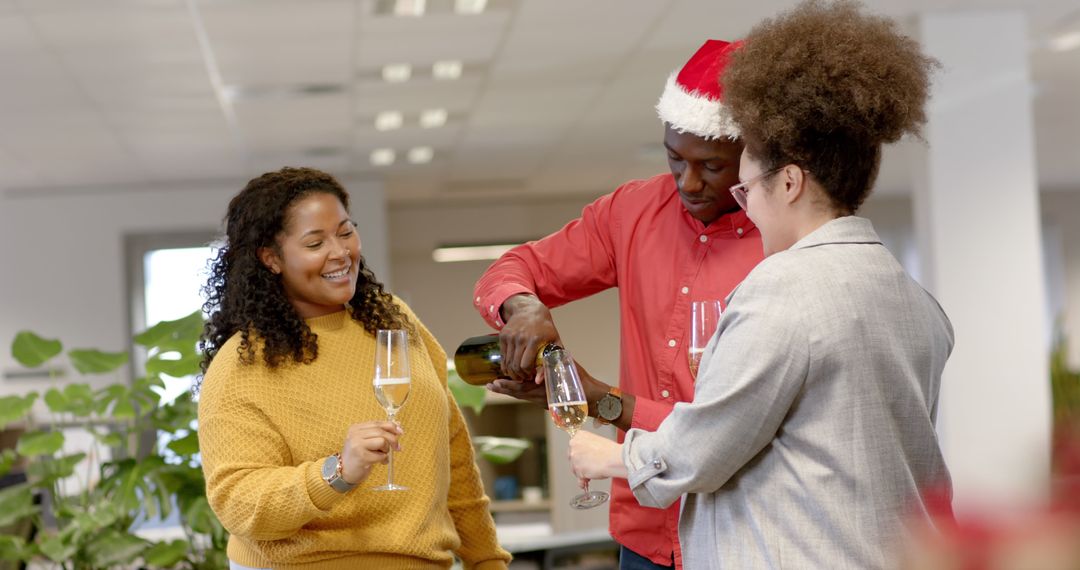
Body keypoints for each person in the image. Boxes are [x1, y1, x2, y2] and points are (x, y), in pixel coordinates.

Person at [567, 1, 952, 568]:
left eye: (746, 191)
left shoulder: (782, 290)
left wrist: (610, 456)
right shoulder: (914, 299)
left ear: (790, 182)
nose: (744, 211)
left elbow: (705, 450)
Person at [472, 40, 762, 569]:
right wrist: (524, 308)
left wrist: (598, 399)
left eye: (711, 167)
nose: (687, 182)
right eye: (675, 158)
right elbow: (513, 269)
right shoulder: (634, 211)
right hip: (644, 529)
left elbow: (727, 431)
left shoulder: (781, 243)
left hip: (740, 528)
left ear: (755, 154)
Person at [198, 167, 511, 570]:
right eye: (315, 242)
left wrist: (485, 558)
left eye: (345, 232)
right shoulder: (242, 364)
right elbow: (238, 503)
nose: (340, 252)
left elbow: (451, 451)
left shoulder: (393, 321)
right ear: (271, 258)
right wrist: (338, 471)